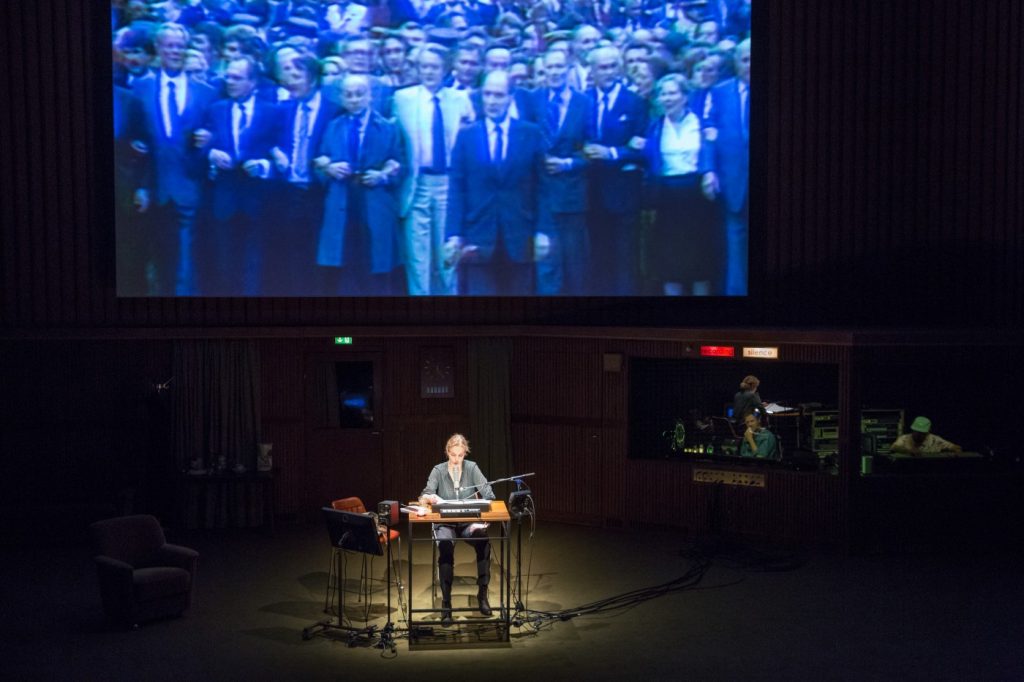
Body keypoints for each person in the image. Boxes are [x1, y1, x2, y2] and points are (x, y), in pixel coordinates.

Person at [446, 70, 546, 295]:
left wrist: (543, 231)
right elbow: (457, 189)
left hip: (520, 234)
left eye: (498, 95)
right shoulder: (466, 136)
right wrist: (453, 235)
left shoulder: (530, 133)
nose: (492, 101)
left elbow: (542, 188)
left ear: (510, 97)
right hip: (479, 235)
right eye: (487, 94)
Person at [393, 43, 476, 295]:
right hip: (417, 184)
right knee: (417, 257)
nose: (429, 72)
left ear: (446, 69)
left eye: (435, 67)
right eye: (424, 66)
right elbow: (393, 140)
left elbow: (470, 140)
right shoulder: (402, 98)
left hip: (448, 185)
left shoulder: (461, 99)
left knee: (448, 254)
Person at [314, 74, 404, 295]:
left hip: (374, 201)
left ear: (370, 96)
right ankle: (346, 329)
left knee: (376, 268)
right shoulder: (333, 126)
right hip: (342, 200)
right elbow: (320, 160)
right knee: (344, 266)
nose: (354, 99)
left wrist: (383, 175)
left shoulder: (387, 127)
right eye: (349, 95)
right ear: (341, 98)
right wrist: (329, 168)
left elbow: (400, 165)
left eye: (359, 94)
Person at [641, 73, 719, 296]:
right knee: (670, 259)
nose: (667, 98)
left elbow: (711, 154)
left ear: (685, 96)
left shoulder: (701, 124)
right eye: (663, 94)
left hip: (696, 194)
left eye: (673, 93)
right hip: (666, 196)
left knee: (699, 258)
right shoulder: (655, 127)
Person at [419, 434, 496, 627]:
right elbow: (425, 494)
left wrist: (484, 505)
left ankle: (482, 594)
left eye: (460, 455)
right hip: (446, 523)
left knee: (483, 540)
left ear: (465, 454)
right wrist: (429, 499)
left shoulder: (472, 467)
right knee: (445, 546)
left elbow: (489, 494)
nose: (456, 459)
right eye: (453, 455)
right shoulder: (438, 470)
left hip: (468, 523)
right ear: (447, 453)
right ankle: (446, 604)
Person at [703, 38, 750, 295]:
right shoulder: (720, 92)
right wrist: (709, 170)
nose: (751, 65)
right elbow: (709, 135)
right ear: (735, 62)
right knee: (736, 243)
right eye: (745, 60)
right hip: (733, 181)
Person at [890, 417, 962, 456]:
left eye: (922, 433)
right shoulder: (904, 438)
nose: (919, 435)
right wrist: (909, 451)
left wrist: (956, 451)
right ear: (912, 430)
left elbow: (955, 447)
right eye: (917, 432)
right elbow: (894, 447)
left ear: (928, 432)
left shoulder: (935, 439)